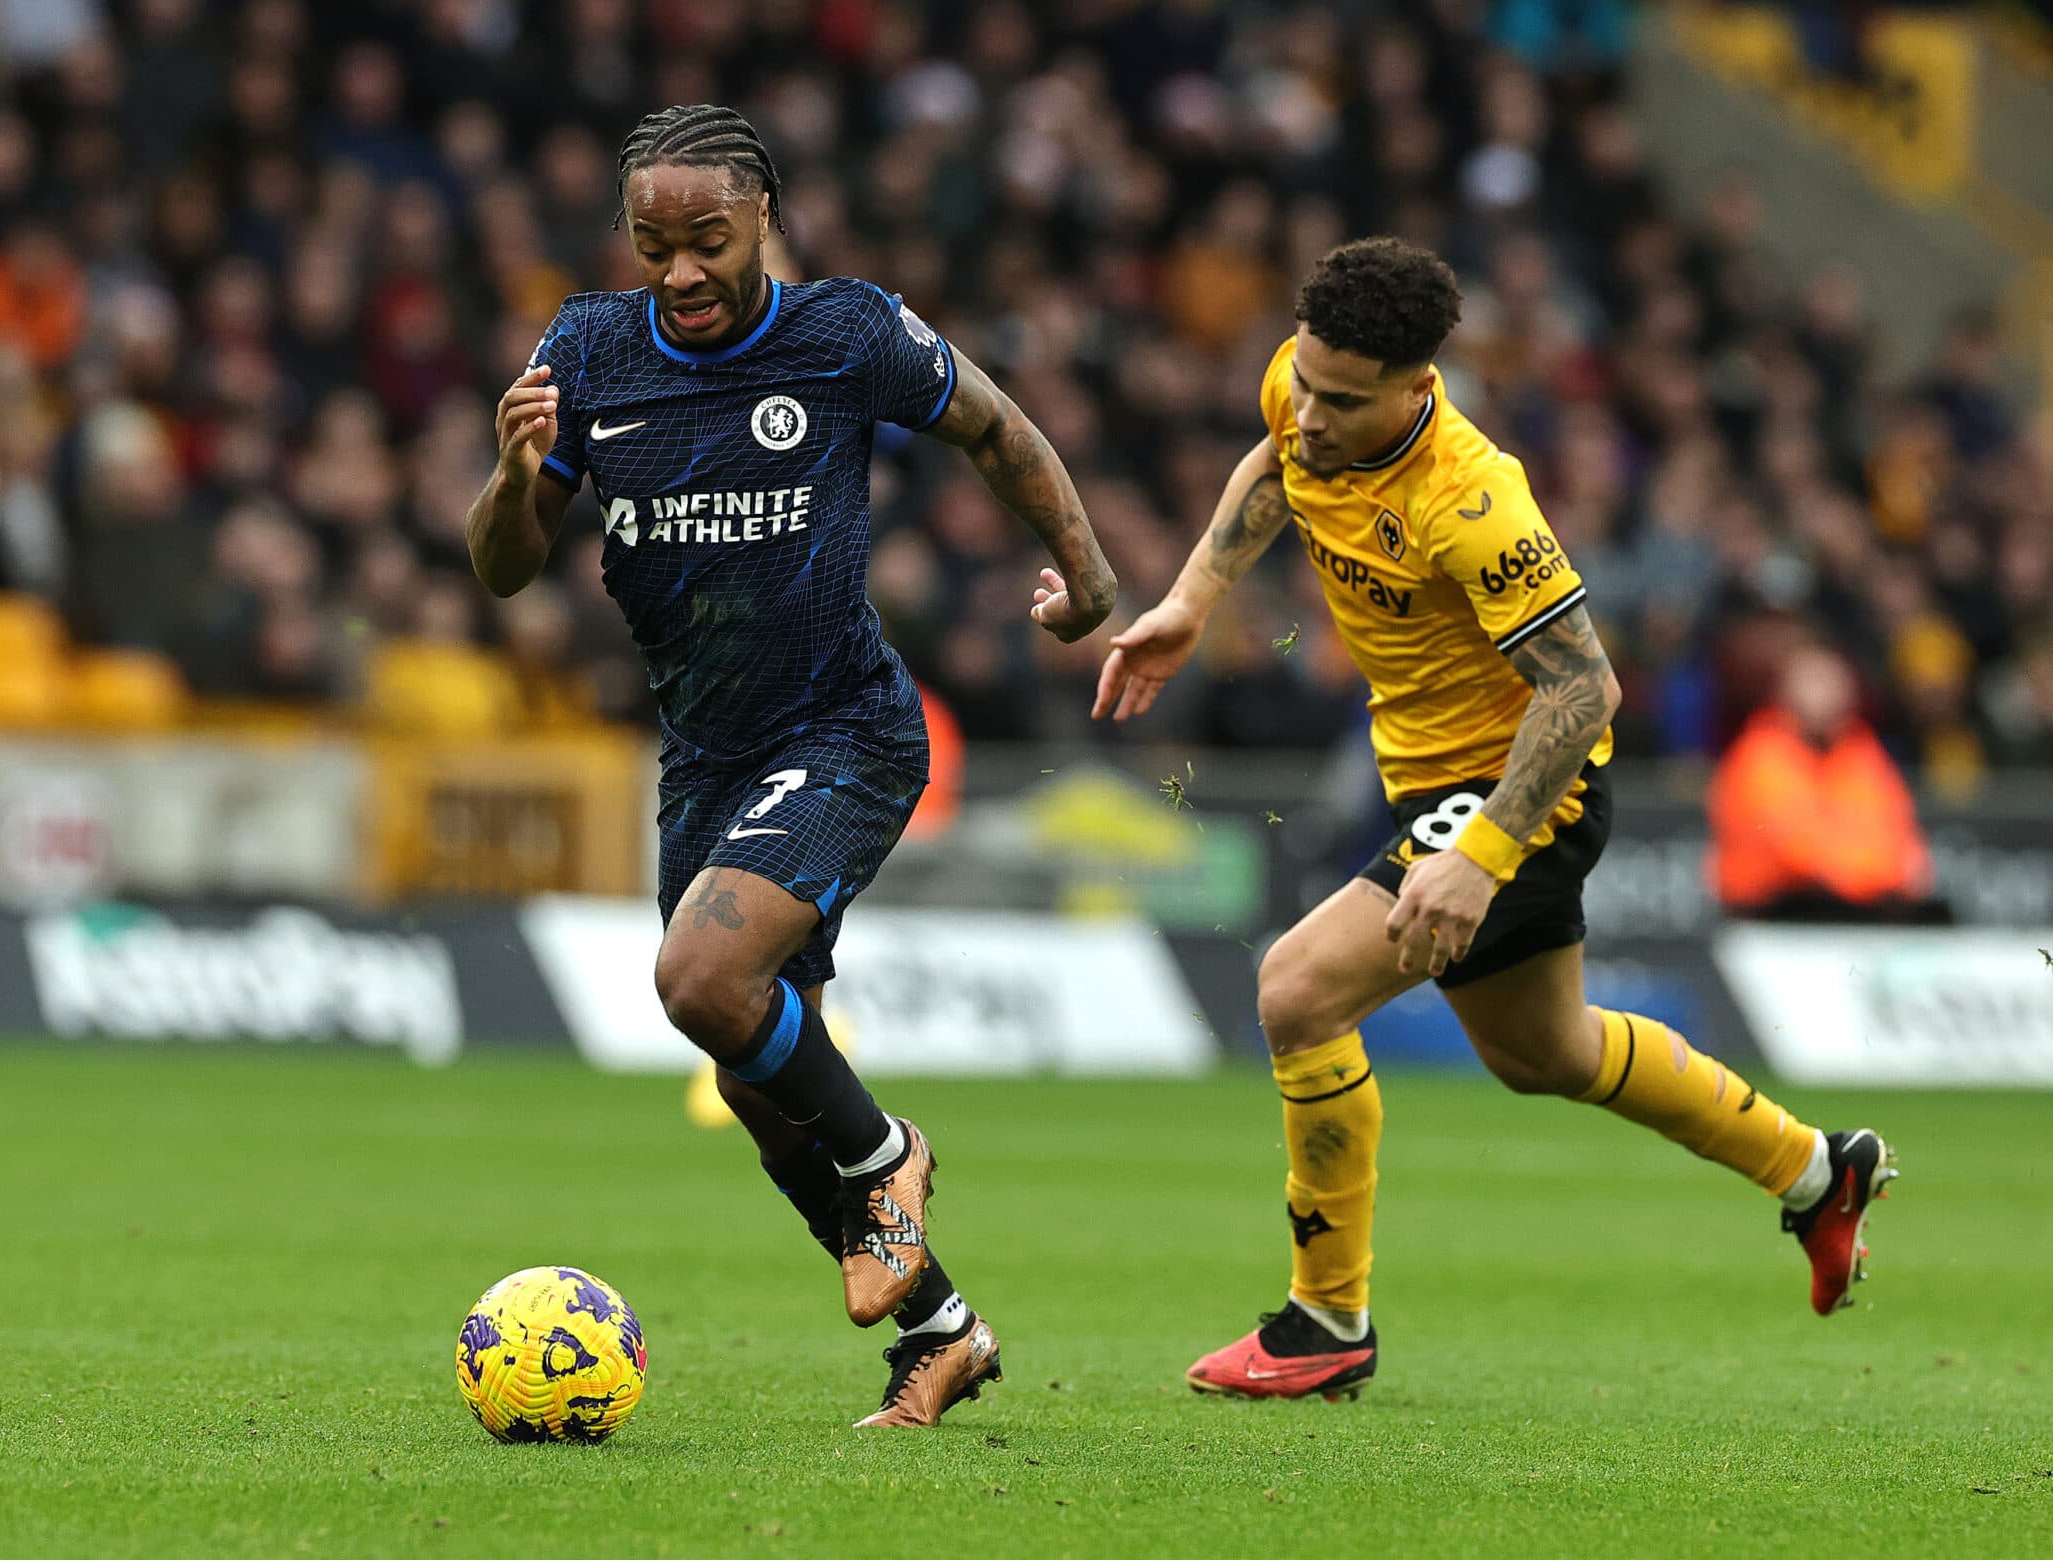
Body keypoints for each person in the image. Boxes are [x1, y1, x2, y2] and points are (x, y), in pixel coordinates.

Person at [1093, 238, 1894, 1403]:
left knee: (1297, 990)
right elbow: (1275, 465)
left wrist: (1482, 852)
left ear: (1418, 385)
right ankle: (1819, 1173)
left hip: (1525, 784)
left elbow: (1585, 691)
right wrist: (1190, 599)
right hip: (1431, 785)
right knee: (1545, 1055)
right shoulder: (1302, 391)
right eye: (1306, 383)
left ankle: (1326, 1321)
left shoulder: (1475, 502)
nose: (1311, 413)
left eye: (1343, 401)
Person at [466, 105, 1115, 1429]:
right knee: (758, 1088)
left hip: (847, 731)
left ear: (764, 215)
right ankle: (942, 1332)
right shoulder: (586, 349)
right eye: (654, 245)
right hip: (708, 761)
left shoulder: (845, 332)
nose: (682, 271)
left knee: (702, 979)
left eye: (708, 240)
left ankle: (889, 1157)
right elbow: (505, 566)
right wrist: (511, 474)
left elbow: (998, 429)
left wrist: (1090, 576)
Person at [1709, 640, 1938, 921]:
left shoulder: (1860, 752)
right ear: (1785, 692)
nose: (1828, 696)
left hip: (1851, 907)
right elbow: (1796, 848)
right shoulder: (1760, 754)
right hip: (1772, 912)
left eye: (1835, 684)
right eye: (1815, 683)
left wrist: (1885, 875)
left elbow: (1898, 837)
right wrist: (1871, 873)